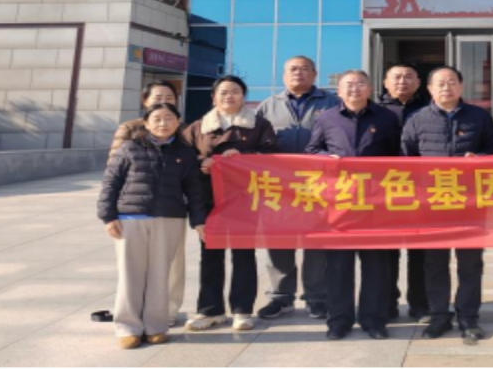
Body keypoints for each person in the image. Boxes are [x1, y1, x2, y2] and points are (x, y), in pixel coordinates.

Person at [402, 66, 493, 343]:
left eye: (452, 82)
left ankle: (468, 317)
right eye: (440, 83)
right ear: (430, 89)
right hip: (432, 204)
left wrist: (480, 158)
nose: (446, 87)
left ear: (461, 86)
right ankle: (439, 315)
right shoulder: (417, 119)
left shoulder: (479, 116)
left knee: (470, 263)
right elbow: (405, 159)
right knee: (434, 263)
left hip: (470, 203)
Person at [98, 103, 206, 350]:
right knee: (131, 274)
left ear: (178, 122)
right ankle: (128, 327)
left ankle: (156, 326)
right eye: (156, 118)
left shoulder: (185, 153)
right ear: (146, 123)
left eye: (169, 118)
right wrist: (108, 216)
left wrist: (198, 220)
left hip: (169, 218)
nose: (163, 123)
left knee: (160, 274)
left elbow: (194, 189)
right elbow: (110, 182)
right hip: (130, 219)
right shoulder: (129, 148)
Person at [307, 70, 401, 341]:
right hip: (339, 204)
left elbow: (400, 156)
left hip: (376, 203)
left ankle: (374, 320)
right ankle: (339, 321)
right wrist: (327, 158)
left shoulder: (386, 117)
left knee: (376, 266)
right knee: (338, 266)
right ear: (338, 91)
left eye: (360, 84)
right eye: (348, 85)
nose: (354, 89)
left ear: (370, 89)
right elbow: (312, 150)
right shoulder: (327, 118)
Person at [183, 75, 277, 333]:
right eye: (223, 92)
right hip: (209, 198)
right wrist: (201, 162)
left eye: (235, 91)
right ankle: (210, 310)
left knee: (244, 254)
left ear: (243, 96)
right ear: (214, 97)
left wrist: (244, 158)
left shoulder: (259, 124)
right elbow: (183, 158)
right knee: (210, 254)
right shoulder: (198, 127)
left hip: (245, 199)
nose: (229, 96)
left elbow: (271, 155)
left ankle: (242, 310)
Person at [255, 56, 341, 322]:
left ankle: (317, 298)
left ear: (315, 74)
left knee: (317, 244)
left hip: (320, 187)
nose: (298, 73)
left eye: (305, 69)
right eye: (293, 69)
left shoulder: (332, 103)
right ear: (283, 75)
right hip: (279, 188)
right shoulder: (268, 106)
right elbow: (256, 144)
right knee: (279, 243)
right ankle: (281, 298)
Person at [107, 80, 187, 326]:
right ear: (145, 102)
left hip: (171, 210)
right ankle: (131, 318)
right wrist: (109, 213)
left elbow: (191, 172)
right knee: (133, 267)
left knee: (170, 265)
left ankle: (165, 313)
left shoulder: (183, 132)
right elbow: (113, 172)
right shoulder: (129, 131)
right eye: (157, 97)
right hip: (134, 210)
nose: (164, 102)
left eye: (169, 98)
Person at [379, 62, 432, 322]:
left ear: (419, 83)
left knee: (420, 251)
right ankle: (387, 303)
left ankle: (420, 304)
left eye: (409, 77)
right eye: (397, 77)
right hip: (384, 191)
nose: (402, 81)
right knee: (386, 252)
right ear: (385, 83)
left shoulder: (430, 109)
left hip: (423, 190)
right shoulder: (375, 111)